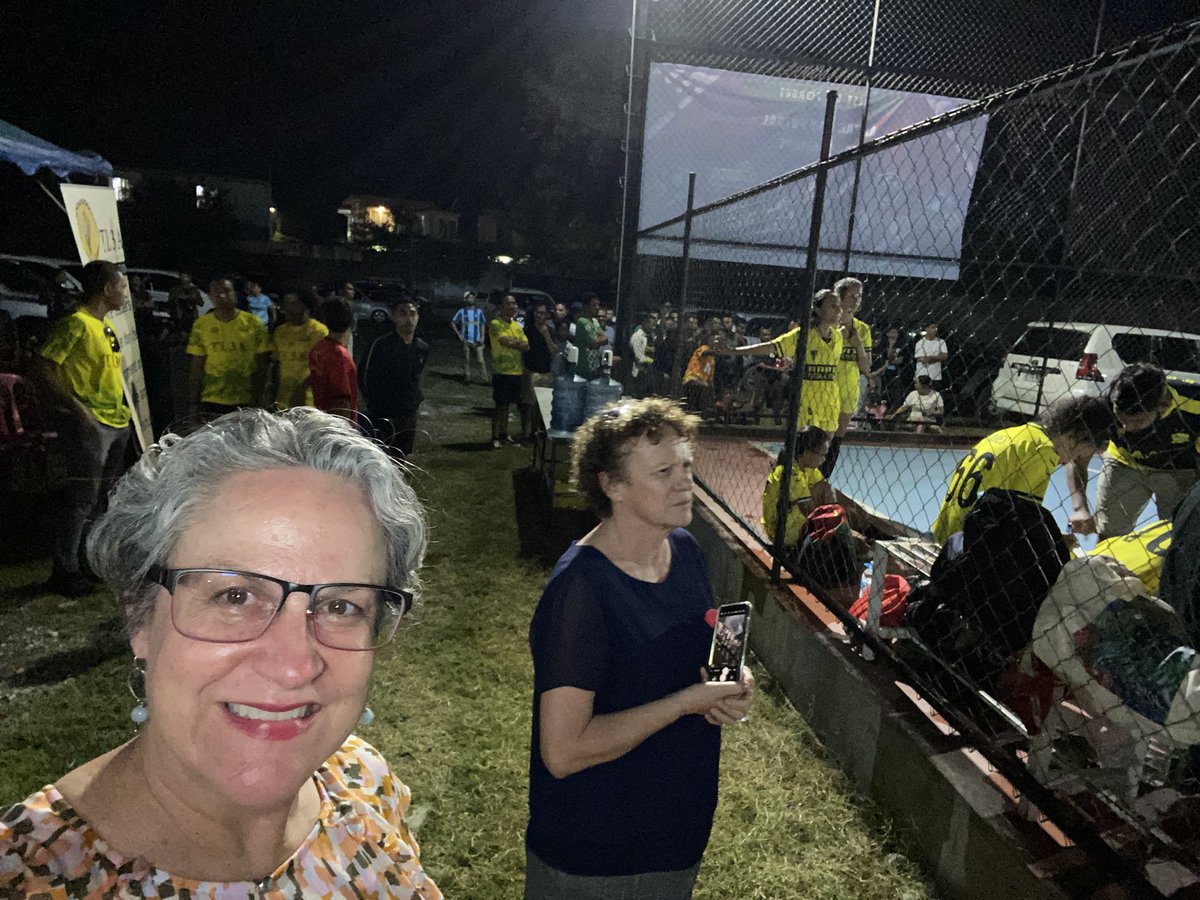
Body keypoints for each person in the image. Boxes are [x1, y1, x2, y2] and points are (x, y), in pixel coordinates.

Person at [0, 408, 441, 896]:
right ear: (139, 616)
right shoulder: (29, 874)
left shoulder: (361, 782)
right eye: (235, 597)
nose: (294, 665)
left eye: (340, 605)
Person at [525, 398, 754, 899]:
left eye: (687, 465)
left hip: (678, 829)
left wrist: (729, 684)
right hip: (596, 851)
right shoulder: (579, 593)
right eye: (663, 471)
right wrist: (684, 704)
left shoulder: (686, 550)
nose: (684, 482)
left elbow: (693, 650)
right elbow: (562, 752)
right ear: (612, 485)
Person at [32, 260, 133, 597]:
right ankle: (65, 568)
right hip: (91, 425)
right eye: (120, 286)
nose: (124, 292)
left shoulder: (104, 326)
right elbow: (45, 366)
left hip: (115, 421)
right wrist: (78, 410)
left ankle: (88, 561)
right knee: (81, 499)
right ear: (106, 289)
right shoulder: (75, 324)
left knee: (103, 499)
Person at [931, 395, 1114, 543]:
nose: (1068, 463)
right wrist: (1056, 543)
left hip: (947, 530)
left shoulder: (1015, 434)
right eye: (1077, 455)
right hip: (971, 541)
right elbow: (1022, 523)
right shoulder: (1043, 452)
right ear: (1074, 437)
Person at [716, 289, 844, 475]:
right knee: (804, 448)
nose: (838, 310)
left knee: (823, 449)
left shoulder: (838, 337)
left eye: (839, 306)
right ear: (817, 309)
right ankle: (785, 481)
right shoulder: (803, 335)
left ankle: (808, 486)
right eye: (832, 305)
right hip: (808, 397)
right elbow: (772, 346)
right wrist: (734, 351)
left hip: (831, 400)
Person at [1081, 364, 1200, 540]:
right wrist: (1079, 508)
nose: (1127, 428)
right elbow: (1078, 458)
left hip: (1179, 469)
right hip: (1123, 462)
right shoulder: (1106, 403)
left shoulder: (1194, 404)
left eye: (1137, 421)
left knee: (1180, 533)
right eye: (1121, 419)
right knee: (1109, 533)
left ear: (1163, 405)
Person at [187, 277, 270, 417]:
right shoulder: (201, 325)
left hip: (245, 400)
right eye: (216, 291)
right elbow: (197, 366)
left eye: (226, 291)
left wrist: (258, 399)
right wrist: (194, 402)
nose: (222, 295)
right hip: (212, 400)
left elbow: (262, 365)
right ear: (210, 296)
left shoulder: (253, 324)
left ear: (235, 294)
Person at [360, 297, 429, 458]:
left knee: (402, 456)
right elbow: (364, 376)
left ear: (418, 317)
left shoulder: (422, 348)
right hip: (383, 412)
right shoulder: (381, 345)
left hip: (407, 413)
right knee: (380, 457)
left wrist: (414, 401)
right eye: (403, 313)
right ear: (394, 317)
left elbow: (414, 377)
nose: (408, 318)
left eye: (412, 313)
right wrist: (373, 403)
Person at [761, 426, 835, 549]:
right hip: (782, 531)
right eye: (822, 455)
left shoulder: (806, 469)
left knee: (825, 489)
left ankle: (864, 526)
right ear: (807, 453)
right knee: (823, 490)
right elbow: (808, 509)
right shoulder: (789, 473)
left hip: (791, 521)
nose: (824, 459)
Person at [833, 277, 871, 474]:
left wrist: (857, 344)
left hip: (849, 389)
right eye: (852, 296)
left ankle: (823, 478)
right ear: (839, 297)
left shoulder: (863, 329)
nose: (856, 301)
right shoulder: (827, 325)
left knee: (837, 437)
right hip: (825, 388)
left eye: (860, 296)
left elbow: (866, 367)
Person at [271, 290, 328, 408]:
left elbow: (322, 368)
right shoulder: (280, 331)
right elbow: (277, 363)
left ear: (306, 305)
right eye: (285, 303)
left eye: (293, 303)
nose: (287, 308)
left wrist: (301, 389)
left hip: (308, 401)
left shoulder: (319, 332)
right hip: (283, 401)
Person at [489, 293, 529, 447]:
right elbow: (504, 341)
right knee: (500, 405)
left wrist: (515, 342)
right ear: (501, 306)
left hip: (516, 371)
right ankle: (495, 436)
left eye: (514, 303)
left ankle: (504, 434)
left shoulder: (517, 326)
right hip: (501, 371)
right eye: (508, 303)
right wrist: (516, 342)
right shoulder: (495, 323)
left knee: (509, 406)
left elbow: (527, 346)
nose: (512, 306)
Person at [309, 297, 358, 420]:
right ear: (352, 322)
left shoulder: (318, 348)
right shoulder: (339, 356)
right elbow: (342, 401)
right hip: (336, 428)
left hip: (321, 421)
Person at [522, 302, 558, 436]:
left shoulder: (550, 331)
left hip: (545, 372)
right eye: (537, 312)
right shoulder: (527, 330)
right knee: (528, 405)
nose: (539, 315)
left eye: (542, 313)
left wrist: (546, 334)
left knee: (542, 406)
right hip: (531, 371)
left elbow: (554, 350)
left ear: (547, 315)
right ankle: (526, 433)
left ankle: (536, 431)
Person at [451, 291, 488, 384]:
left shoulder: (479, 312)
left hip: (477, 340)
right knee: (466, 359)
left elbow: (482, 324)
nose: (471, 299)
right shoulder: (462, 312)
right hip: (466, 340)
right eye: (469, 298)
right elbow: (453, 322)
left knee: (480, 360)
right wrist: (459, 334)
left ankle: (485, 379)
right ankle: (467, 377)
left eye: (472, 297)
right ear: (465, 300)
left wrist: (483, 336)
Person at [569, 292, 607, 380]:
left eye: (598, 305)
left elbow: (605, 339)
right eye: (594, 305)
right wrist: (599, 339)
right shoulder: (582, 322)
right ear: (586, 306)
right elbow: (593, 342)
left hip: (595, 366)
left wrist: (599, 340)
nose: (597, 307)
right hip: (584, 366)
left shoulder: (595, 321)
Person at [629, 310, 657, 396]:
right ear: (645, 323)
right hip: (639, 372)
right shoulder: (637, 336)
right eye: (651, 325)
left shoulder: (650, 337)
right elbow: (639, 357)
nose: (654, 327)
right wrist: (651, 361)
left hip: (648, 372)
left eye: (655, 325)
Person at [914, 323, 949, 390]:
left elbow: (945, 356)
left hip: (936, 376)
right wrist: (938, 357)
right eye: (933, 327)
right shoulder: (920, 343)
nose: (935, 330)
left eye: (936, 328)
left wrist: (930, 357)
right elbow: (923, 360)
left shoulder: (941, 341)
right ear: (927, 329)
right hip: (922, 377)